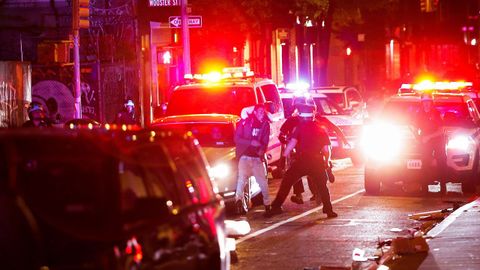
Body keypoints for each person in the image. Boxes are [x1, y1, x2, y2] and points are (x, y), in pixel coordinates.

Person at [267, 103, 338, 218]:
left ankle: (276, 207)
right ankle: (328, 210)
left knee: (287, 182)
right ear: (312, 115)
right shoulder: (320, 128)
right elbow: (326, 149)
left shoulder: (299, 128)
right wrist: (327, 161)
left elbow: (291, 144)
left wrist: (283, 158)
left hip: (302, 161)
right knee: (322, 186)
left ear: (301, 116)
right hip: (317, 161)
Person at [279, 96, 348, 204]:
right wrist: (285, 141)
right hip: (299, 152)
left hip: (316, 151)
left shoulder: (317, 120)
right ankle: (299, 194)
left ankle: (319, 189)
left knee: (314, 174)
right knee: (294, 173)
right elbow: (282, 134)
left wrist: (343, 139)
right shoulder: (292, 120)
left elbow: (333, 129)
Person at [234, 104, 271, 215]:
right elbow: (236, 138)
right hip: (244, 157)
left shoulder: (265, 125)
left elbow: (265, 140)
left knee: (263, 183)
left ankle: (268, 205)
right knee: (241, 181)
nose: (261, 114)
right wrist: (251, 142)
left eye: (262, 112)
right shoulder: (245, 122)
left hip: (256, 158)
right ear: (254, 112)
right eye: (259, 111)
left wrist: (262, 150)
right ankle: (238, 202)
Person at [414, 94, 446, 187]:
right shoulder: (419, 114)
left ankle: (443, 186)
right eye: (424, 102)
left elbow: (441, 130)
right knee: (425, 163)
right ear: (422, 103)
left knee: (441, 162)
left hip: (437, 141)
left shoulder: (436, 113)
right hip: (425, 142)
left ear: (431, 103)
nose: (426, 104)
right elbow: (415, 127)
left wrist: (429, 137)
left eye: (428, 102)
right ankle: (424, 187)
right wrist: (418, 137)